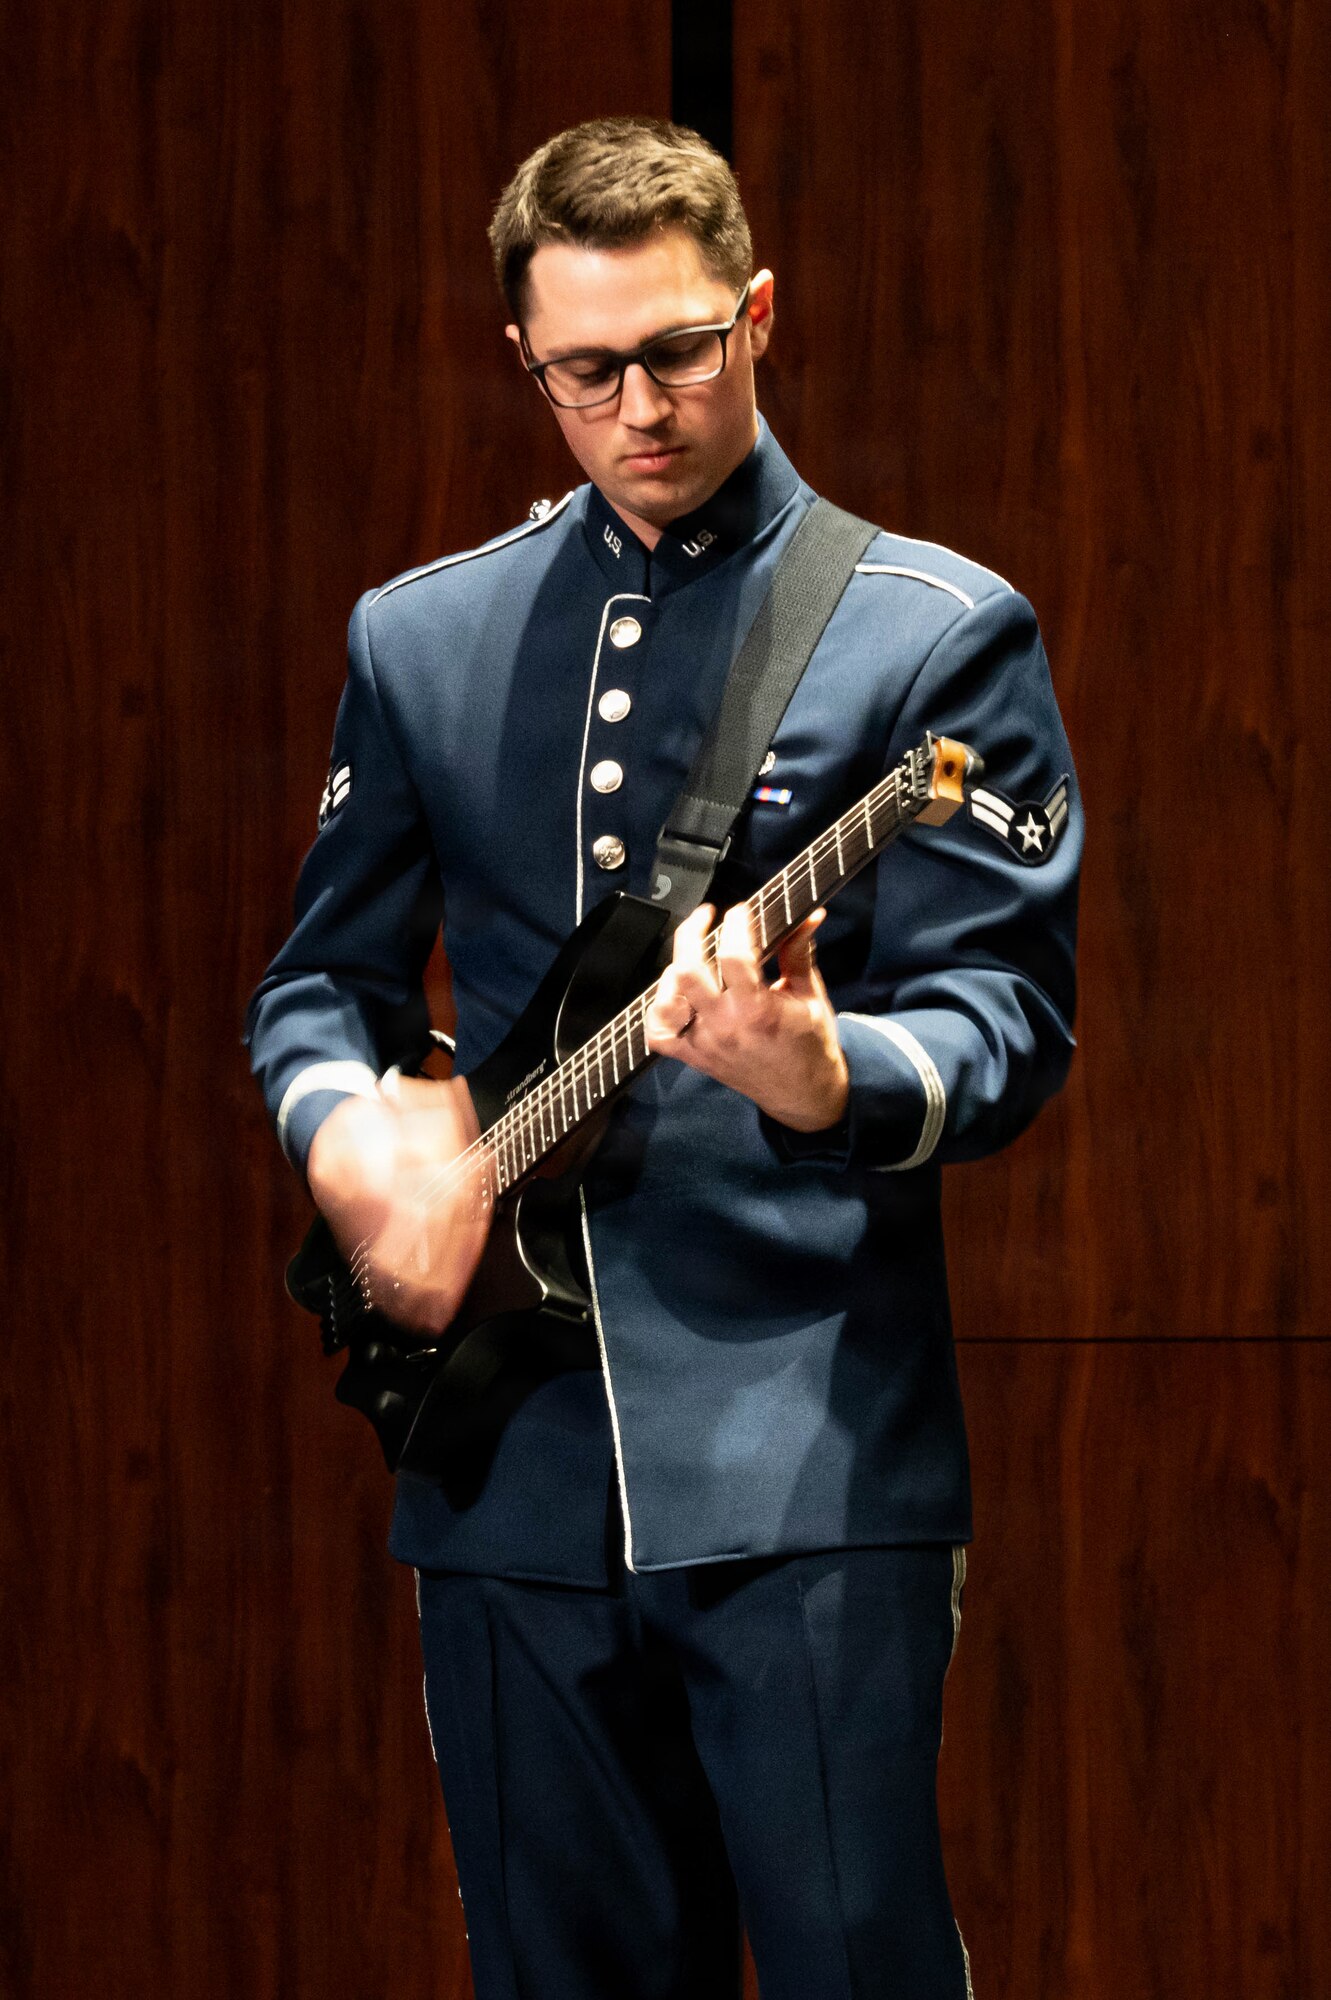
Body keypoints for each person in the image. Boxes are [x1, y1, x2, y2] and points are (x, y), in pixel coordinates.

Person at [246, 116, 1080, 2000]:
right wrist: (354, 1144)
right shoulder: (427, 637)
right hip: (503, 1465)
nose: (643, 406)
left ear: (760, 315)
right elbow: (319, 985)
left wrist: (819, 1067)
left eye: (684, 350)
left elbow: (1009, 1019)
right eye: (589, 370)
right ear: (522, 365)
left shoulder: (929, 637)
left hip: (810, 1453)